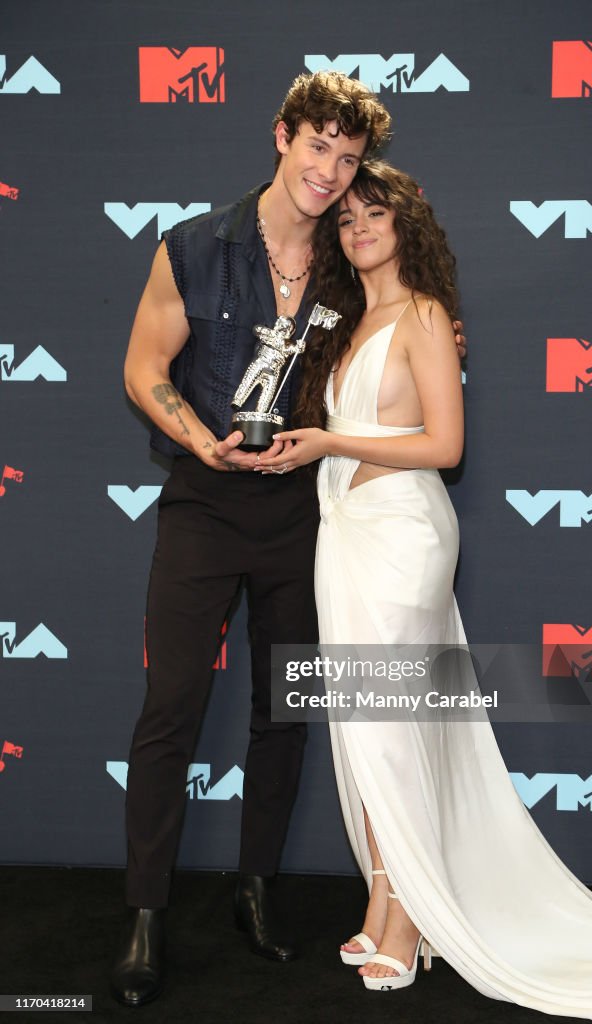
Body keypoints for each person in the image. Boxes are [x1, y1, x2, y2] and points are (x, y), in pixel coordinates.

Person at [258, 162, 592, 1021]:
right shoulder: (344, 323)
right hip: (342, 536)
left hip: (403, 540)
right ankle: (384, 897)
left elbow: (443, 447)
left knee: (394, 728)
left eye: (374, 215)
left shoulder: (421, 316)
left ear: (407, 226)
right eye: (347, 222)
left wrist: (331, 441)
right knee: (365, 727)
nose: (359, 230)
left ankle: (411, 917)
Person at [109, 71, 395, 1008]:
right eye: (317, 146)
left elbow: (397, 337)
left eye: (347, 159)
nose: (329, 171)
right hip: (200, 501)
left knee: (284, 712)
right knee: (172, 706)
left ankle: (256, 893)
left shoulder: (351, 265)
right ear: (281, 136)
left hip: (299, 513)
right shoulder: (193, 246)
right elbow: (145, 366)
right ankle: (145, 918)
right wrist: (203, 442)